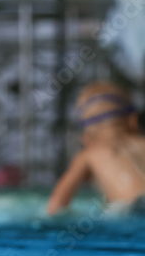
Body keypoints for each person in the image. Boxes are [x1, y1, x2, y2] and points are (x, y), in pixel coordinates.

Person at [46, 81, 145, 215]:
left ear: (85, 137)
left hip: (131, 211)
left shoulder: (88, 155)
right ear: (133, 120)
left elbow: (56, 204)